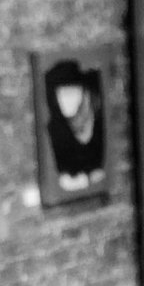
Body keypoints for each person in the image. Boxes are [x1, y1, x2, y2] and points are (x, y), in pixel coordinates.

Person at [41, 57, 107, 193]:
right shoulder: (56, 128)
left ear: (83, 93)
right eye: (61, 94)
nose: (66, 100)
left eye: (71, 93)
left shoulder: (95, 117)